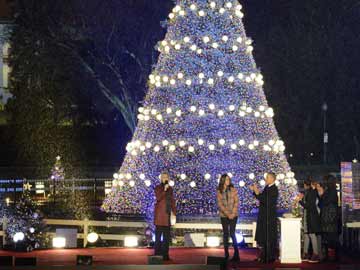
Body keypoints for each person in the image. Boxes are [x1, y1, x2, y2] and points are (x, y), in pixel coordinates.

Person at [250, 172, 279, 263]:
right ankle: (264, 255)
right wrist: (255, 192)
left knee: (268, 237)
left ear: (272, 179)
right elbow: (262, 198)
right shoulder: (267, 187)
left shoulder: (274, 189)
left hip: (269, 217)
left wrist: (257, 192)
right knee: (264, 237)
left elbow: (266, 200)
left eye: (267, 177)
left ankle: (269, 257)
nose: (265, 179)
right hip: (264, 216)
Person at [295, 178, 321, 263]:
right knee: (307, 234)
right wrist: (301, 200)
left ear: (306, 185)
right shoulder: (309, 192)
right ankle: (305, 253)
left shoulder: (311, 192)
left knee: (312, 234)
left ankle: (315, 254)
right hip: (308, 216)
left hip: (311, 216)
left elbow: (309, 206)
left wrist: (300, 201)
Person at [217, 174, 240, 262]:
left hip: (234, 215)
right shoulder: (219, 191)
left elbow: (236, 202)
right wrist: (228, 214)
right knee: (225, 234)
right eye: (226, 179)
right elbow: (220, 205)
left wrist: (233, 213)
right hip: (224, 216)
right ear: (223, 180)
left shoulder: (233, 189)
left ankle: (236, 255)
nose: (228, 180)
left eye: (229, 179)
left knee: (232, 233)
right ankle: (226, 254)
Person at [154, 171, 176, 261]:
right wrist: (164, 190)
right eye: (163, 177)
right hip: (159, 215)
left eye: (166, 177)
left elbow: (172, 201)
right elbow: (158, 197)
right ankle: (157, 255)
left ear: (168, 179)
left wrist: (174, 213)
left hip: (167, 215)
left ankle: (165, 255)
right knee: (158, 237)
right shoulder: (158, 188)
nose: (165, 178)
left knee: (167, 238)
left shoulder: (170, 189)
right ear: (160, 178)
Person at [317, 176, 339, 262]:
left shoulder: (332, 191)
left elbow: (325, 202)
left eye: (326, 181)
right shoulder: (329, 190)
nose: (325, 182)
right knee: (326, 238)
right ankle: (327, 256)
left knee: (332, 238)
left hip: (330, 218)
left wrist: (321, 195)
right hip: (327, 217)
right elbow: (321, 203)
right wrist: (321, 195)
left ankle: (335, 257)